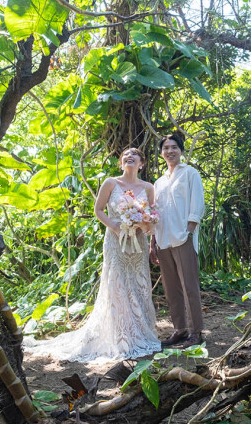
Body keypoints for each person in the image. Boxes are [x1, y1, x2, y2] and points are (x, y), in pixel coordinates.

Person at [25, 147, 161, 362]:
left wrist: (146, 225)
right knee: (117, 284)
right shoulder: (111, 183)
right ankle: (120, 336)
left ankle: (139, 332)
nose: (129, 157)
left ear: (141, 163)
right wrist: (115, 227)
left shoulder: (148, 187)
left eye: (134, 155)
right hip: (116, 240)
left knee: (139, 282)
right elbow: (98, 210)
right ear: (121, 162)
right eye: (125, 155)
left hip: (138, 242)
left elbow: (152, 214)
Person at [149, 134, 205, 347]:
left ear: (181, 150)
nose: (170, 151)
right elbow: (155, 212)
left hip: (183, 237)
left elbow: (197, 204)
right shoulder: (159, 182)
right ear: (161, 153)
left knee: (189, 285)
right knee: (171, 287)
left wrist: (190, 231)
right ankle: (180, 329)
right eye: (166, 148)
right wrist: (152, 241)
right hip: (163, 239)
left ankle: (196, 332)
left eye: (174, 147)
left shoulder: (190, 174)